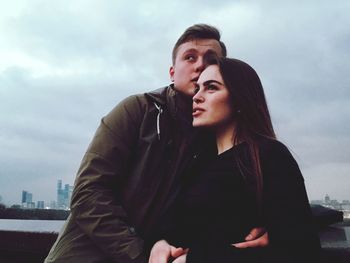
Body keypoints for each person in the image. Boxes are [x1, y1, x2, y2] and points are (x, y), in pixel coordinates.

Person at [45, 24, 268, 263]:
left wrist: (270, 227)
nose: (200, 65)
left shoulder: (219, 142)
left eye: (211, 59)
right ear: (172, 72)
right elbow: (88, 193)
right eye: (190, 57)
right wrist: (140, 254)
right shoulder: (137, 111)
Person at [149, 55, 321, 262]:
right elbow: (177, 226)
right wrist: (160, 243)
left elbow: (300, 249)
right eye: (197, 89)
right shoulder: (197, 162)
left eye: (211, 87)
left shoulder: (268, 155)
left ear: (240, 98)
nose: (197, 97)